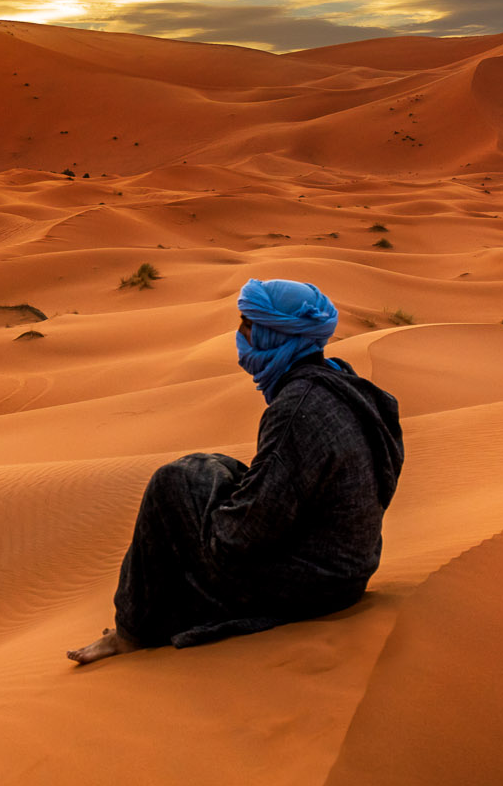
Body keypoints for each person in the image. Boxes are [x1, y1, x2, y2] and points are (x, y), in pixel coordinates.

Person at [68, 277, 405, 665]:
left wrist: (208, 519)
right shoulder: (344, 383)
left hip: (315, 587)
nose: (240, 336)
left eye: (248, 325)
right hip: (350, 570)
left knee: (171, 483)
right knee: (217, 470)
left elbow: (242, 538)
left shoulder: (297, 409)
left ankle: (132, 631)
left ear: (274, 334)